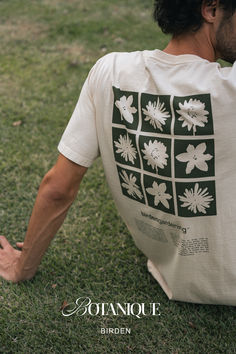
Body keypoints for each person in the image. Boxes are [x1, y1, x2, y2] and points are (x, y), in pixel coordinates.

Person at [1, 0, 236, 305]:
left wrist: (22, 266)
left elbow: (59, 188)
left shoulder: (109, 72)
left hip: (174, 276)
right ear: (211, 9)